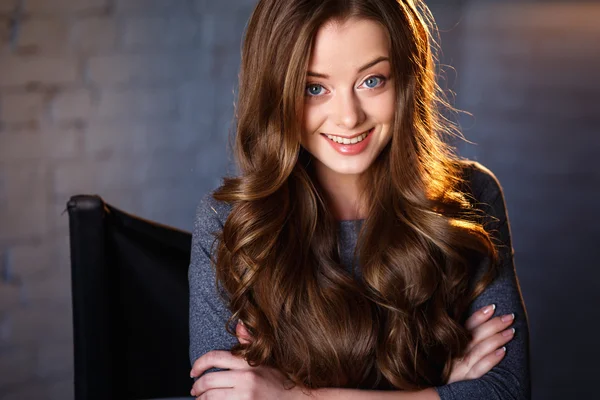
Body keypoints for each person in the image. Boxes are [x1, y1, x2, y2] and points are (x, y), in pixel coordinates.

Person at [188, 0, 531, 399]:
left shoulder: (471, 195)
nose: (348, 117)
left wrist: (294, 395)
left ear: (406, 78)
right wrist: (437, 392)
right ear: (276, 92)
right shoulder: (229, 221)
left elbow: (505, 392)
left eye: (372, 81)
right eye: (314, 88)